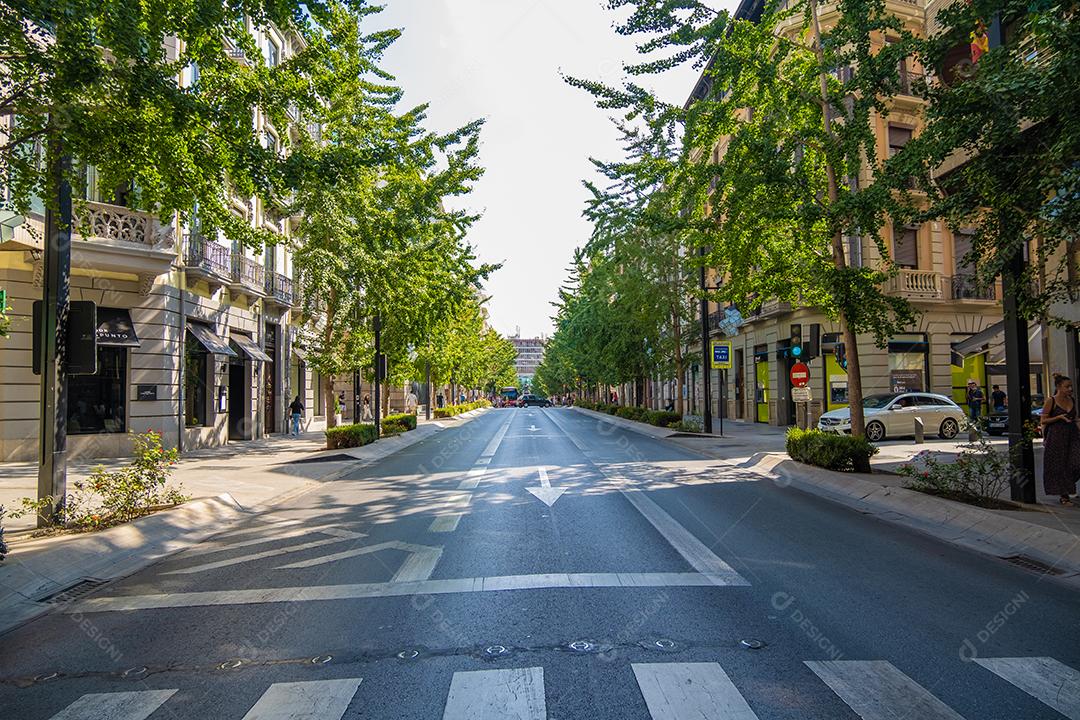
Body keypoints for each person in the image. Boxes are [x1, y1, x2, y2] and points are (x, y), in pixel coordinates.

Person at [1041, 374, 1080, 506]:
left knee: (1076, 463)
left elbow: (1076, 419)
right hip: (1056, 437)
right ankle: (1065, 496)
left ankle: (1069, 486)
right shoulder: (1051, 400)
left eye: (1071, 386)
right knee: (1061, 466)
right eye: (1067, 387)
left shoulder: (1072, 400)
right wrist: (1059, 418)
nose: (1070, 389)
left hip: (1073, 435)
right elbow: (1043, 420)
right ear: (1058, 387)